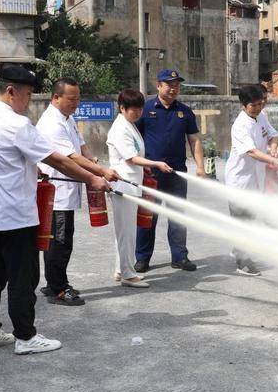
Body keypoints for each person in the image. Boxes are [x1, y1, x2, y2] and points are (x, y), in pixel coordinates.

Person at [0, 65, 110, 356]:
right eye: (28, 95)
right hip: (15, 216)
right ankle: (25, 337)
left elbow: (6, 161)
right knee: (24, 277)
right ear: (11, 91)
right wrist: (94, 178)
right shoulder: (16, 124)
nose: (29, 102)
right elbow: (58, 160)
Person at [36, 77, 120, 307]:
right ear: (56, 97)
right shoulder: (51, 123)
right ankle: (58, 288)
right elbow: (69, 158)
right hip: (58, 193)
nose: (76, 103)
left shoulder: (68, 118)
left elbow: (80, 148)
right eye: (71, 99)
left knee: (60, 239)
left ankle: (53, 282)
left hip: (67, 189)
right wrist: (100, 171)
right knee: (59, 241)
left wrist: (93, 161)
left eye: (78, 98)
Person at [134, 69, 205, 274]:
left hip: (176, 174)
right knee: (148, 217)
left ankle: (180, 256)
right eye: (169, 84)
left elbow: (194, 140)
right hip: (151, 174)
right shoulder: (146, 109)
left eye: (176, 85)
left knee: (177, 216)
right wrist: (141, 164)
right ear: (158, 85)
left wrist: (199, 166)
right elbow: (134, 138)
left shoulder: (184, 111)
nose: (173, 88)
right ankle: (142, 258)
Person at [107, 89, 174, 288]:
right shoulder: (120, 128)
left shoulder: (129, 125)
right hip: (123, 185)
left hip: (131, 183)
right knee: (126, 231)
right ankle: (128, 274)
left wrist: (146, 169)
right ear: (122, 108)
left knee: (126, 231)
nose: (137, 113)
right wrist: (155, 164)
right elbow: (131, 158)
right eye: (132, 110)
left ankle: (122, 269)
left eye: (139, 109)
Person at [224, 84, 278, 276]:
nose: (258, 108)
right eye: (254, 105)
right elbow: (251, 151)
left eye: (261, 104)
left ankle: (239, 249)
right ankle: (242, 262)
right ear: (244, 105)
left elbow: (273, 135)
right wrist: (272, 159)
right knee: (242, 221)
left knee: (250, 219)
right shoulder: (240, 125)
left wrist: (275, 149)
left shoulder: (260, 117)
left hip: (255, 179)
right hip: (239, 181)